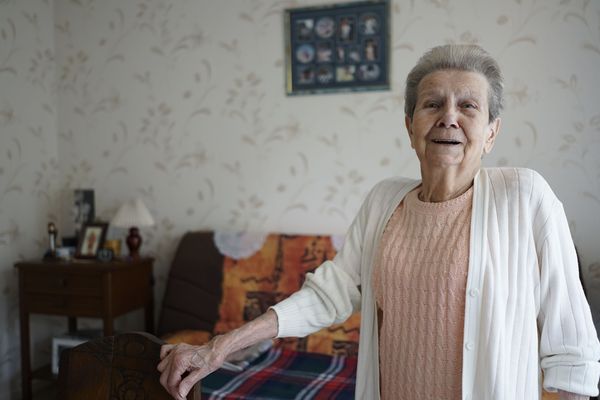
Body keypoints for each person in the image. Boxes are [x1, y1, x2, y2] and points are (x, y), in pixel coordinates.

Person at [157, 44, 600, 400]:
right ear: (410, 127)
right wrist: (219, 348)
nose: (449, 116)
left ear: (491, 132)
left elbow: (572, 346)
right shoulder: (384, 200)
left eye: (468, 105)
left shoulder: (525, 196)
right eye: (432, 103)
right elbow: (328, 294)